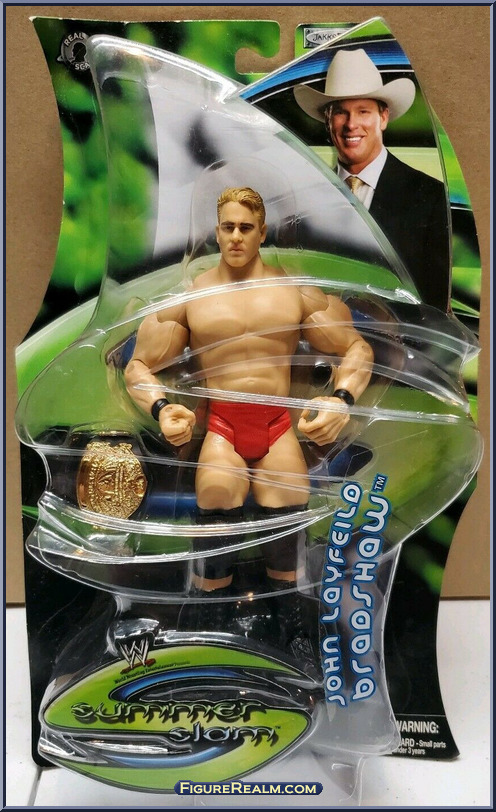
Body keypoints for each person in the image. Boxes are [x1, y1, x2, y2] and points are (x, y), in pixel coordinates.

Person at [125, 186, 373, 661]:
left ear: (263, 232)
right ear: (216, 232)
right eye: (227, 227)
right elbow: (138, 366)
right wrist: (162, 408)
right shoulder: (193, 297)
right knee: (216, 503)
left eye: (245, 227)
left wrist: (341, 400)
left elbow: (356, 348)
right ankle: (210, 623)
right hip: (222, 426)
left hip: (278, 424)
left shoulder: (295, 292)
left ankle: (294, 628)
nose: (236, 237)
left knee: (287, 512)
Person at [294, 48, 451, 311]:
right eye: (341, 112)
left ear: (384, 117)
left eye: (363, 111)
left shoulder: (430, 197)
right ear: (327, 121)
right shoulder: (306, 200)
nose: (351, 124)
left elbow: (437, 302)